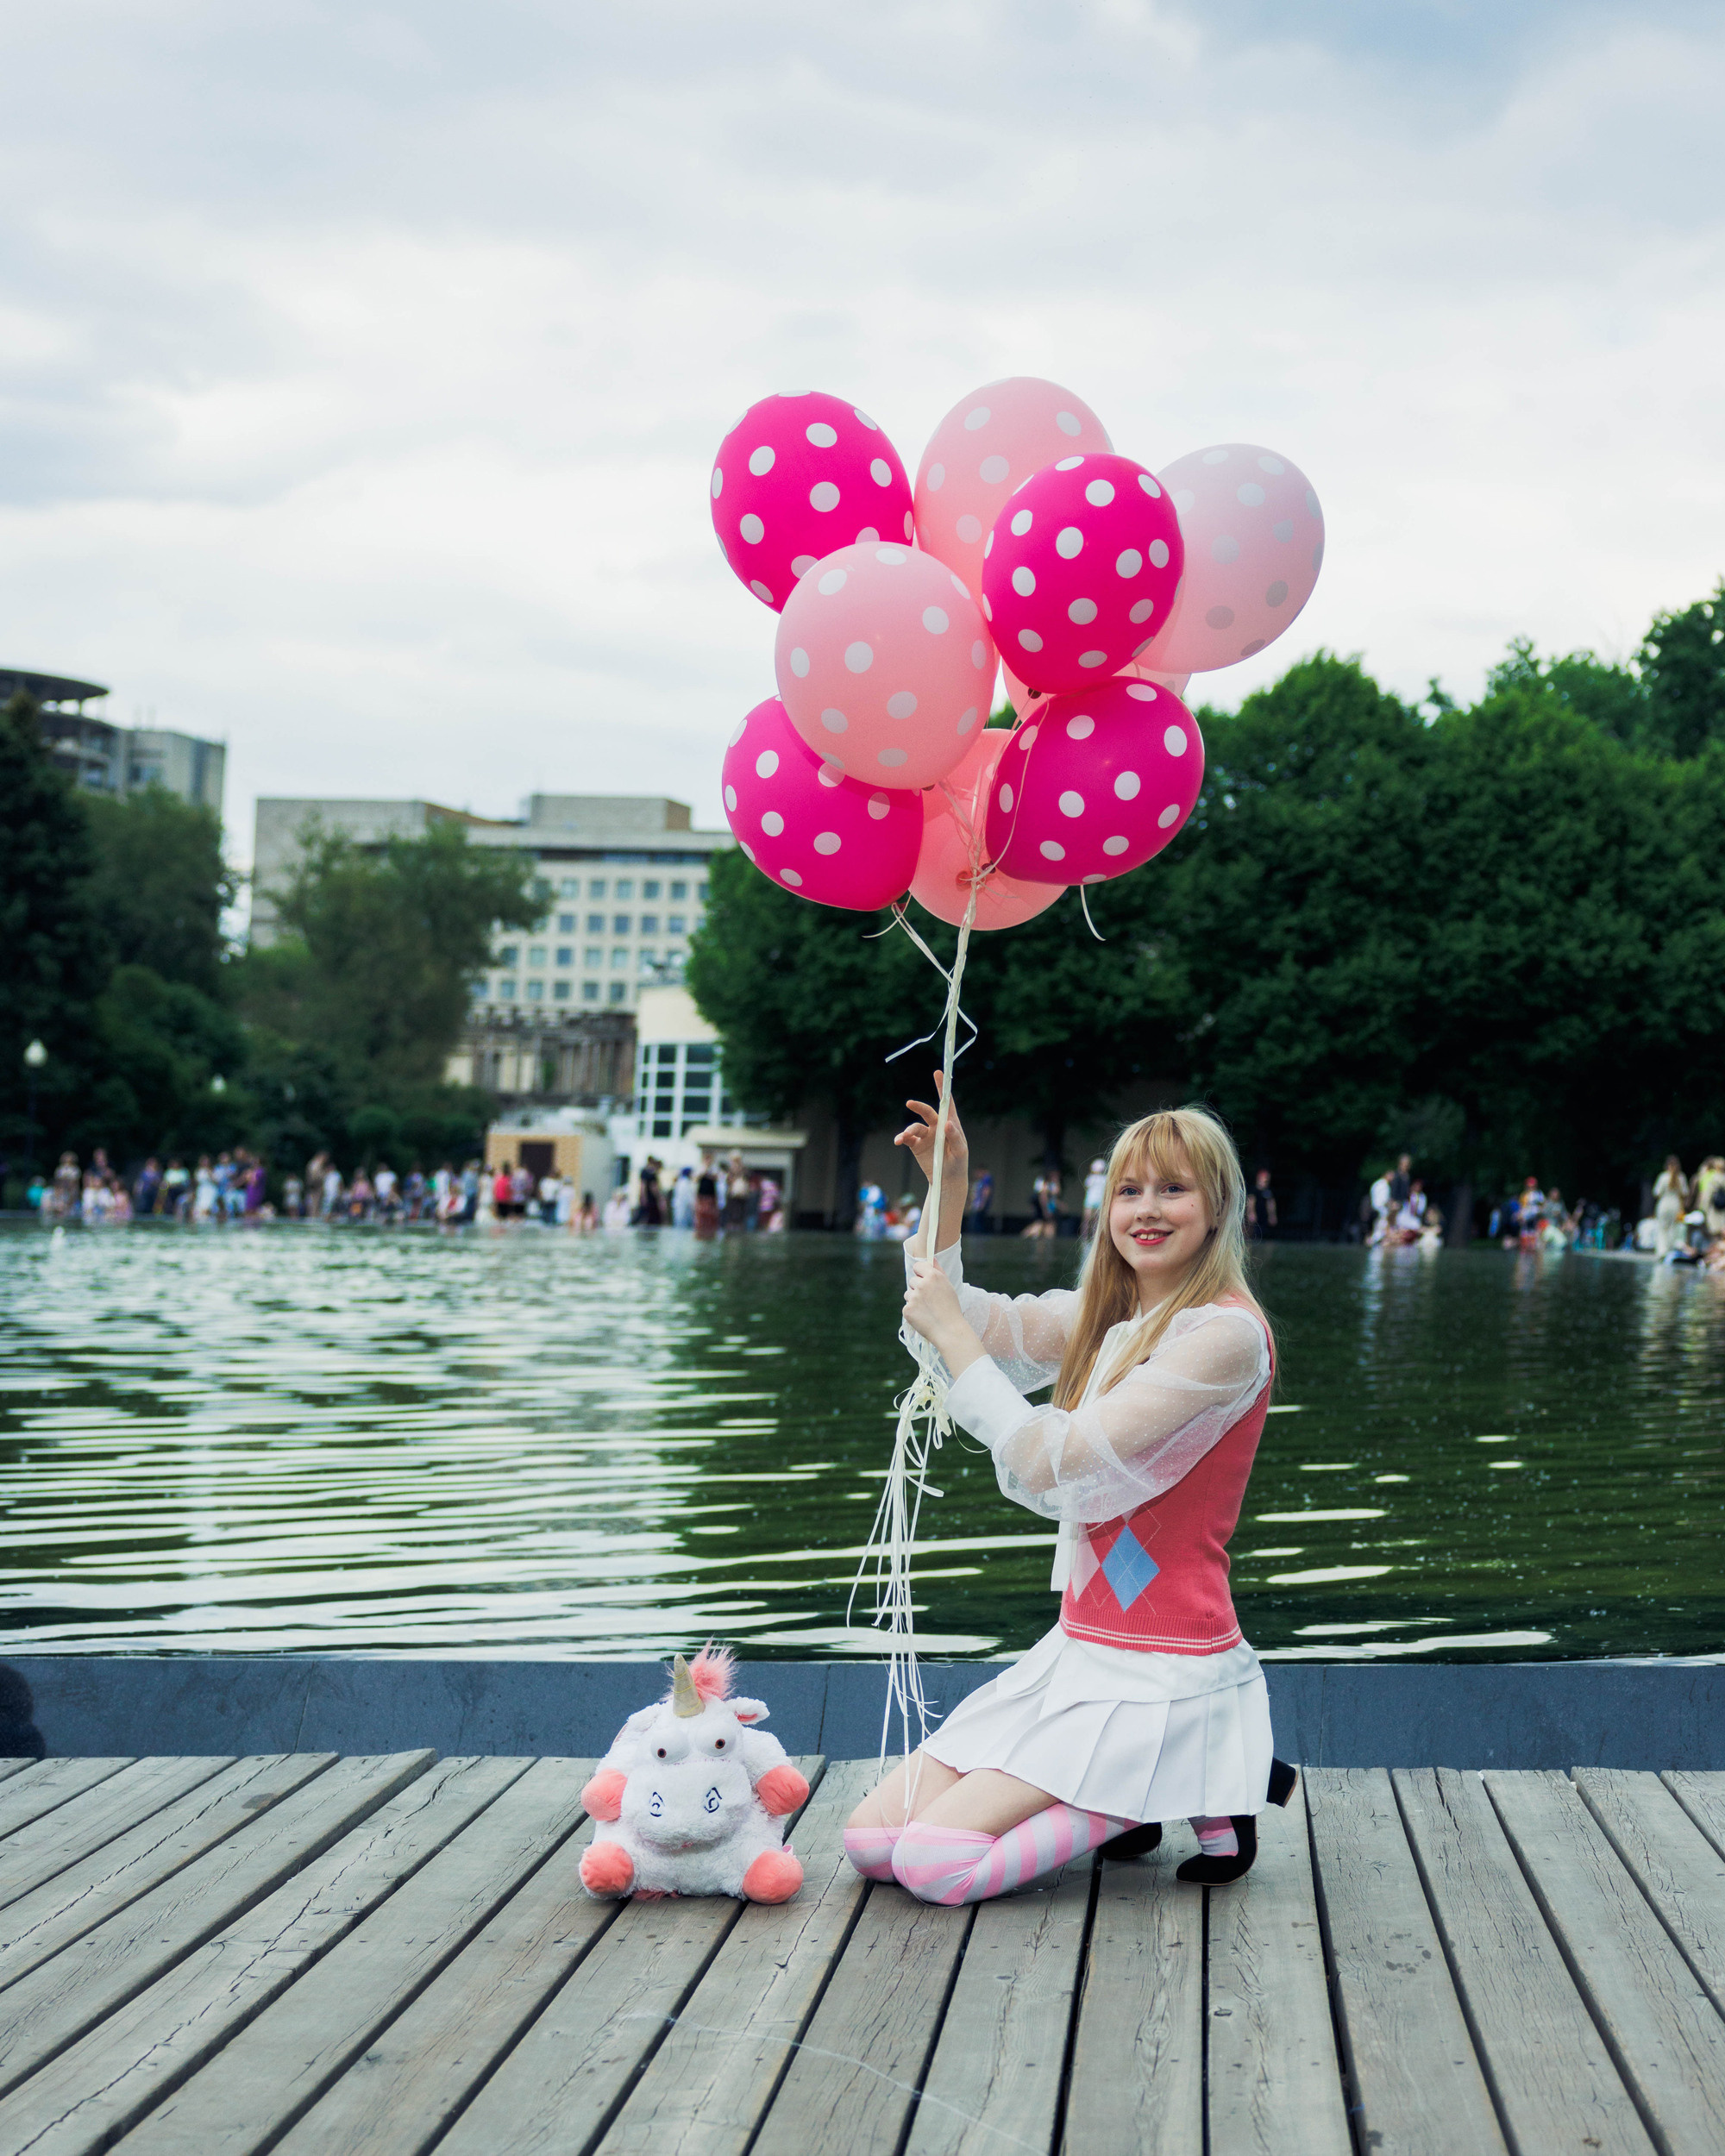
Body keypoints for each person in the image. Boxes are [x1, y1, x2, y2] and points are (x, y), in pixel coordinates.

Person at [846, 1085, 1294, 1902]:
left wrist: (952, 1333)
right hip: (1081, 1648)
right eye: (1129, 1191)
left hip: (1161, 1669)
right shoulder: (1111, 1313)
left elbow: (1057, 1462)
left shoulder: (1225, 1336)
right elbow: (957, 1322)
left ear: (1220, 1205)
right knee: (871, 1842)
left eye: (1173, 1188)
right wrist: (948, 1186)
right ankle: (1159, 1782)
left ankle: (1170, 1777)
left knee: (934, 1864)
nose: (1146, 1210)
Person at [1653, 1155, 1688, 1259]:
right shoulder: (1681, 1177)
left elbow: (1657, 1193)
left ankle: (1662, 1251)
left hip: (1664, 1204)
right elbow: (1684, 1193)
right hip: (1676, 1205)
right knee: (1673, 1229)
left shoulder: (1663, 1177)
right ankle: (1669, 1251)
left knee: (1662, 1229)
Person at [1248, 1168, 1276, 1241]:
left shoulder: (1268, 1191)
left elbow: (1271, 1204)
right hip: (1257, 1216)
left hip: (1265, 1216)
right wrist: (1251, 1213)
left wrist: (1272, 1215)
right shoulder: (1254, 1190)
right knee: (1255, 1235)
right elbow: (1251, 1202)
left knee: (1265, 1235)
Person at [1081, 1159, 1107, 1242]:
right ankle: (1088, 1237)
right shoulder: (1100, 1179)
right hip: (1094, 1201)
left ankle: (1089, 1237)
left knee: (1091, 1220)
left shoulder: (1096, 1178)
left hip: (1094, 1201)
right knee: (1091, 1220)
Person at [694, 1159, 720, 1237]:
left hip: (711, 1196)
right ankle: (700, 1232)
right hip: (702, 1196)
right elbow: (695, 1179)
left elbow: (717, 1178)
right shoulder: (700, 1169)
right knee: (701, 1215)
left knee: (710, 1216)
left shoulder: (714, 1170)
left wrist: (709, 1174)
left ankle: (710, 1233)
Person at [968, 1168, 994, 1234]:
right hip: (978, 1204)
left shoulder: (986, 1179)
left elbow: (986, 1191)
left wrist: (982, 1203)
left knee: (977, 1222)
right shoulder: (981, 1181)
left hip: (979, 1205)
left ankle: (977, 1235)